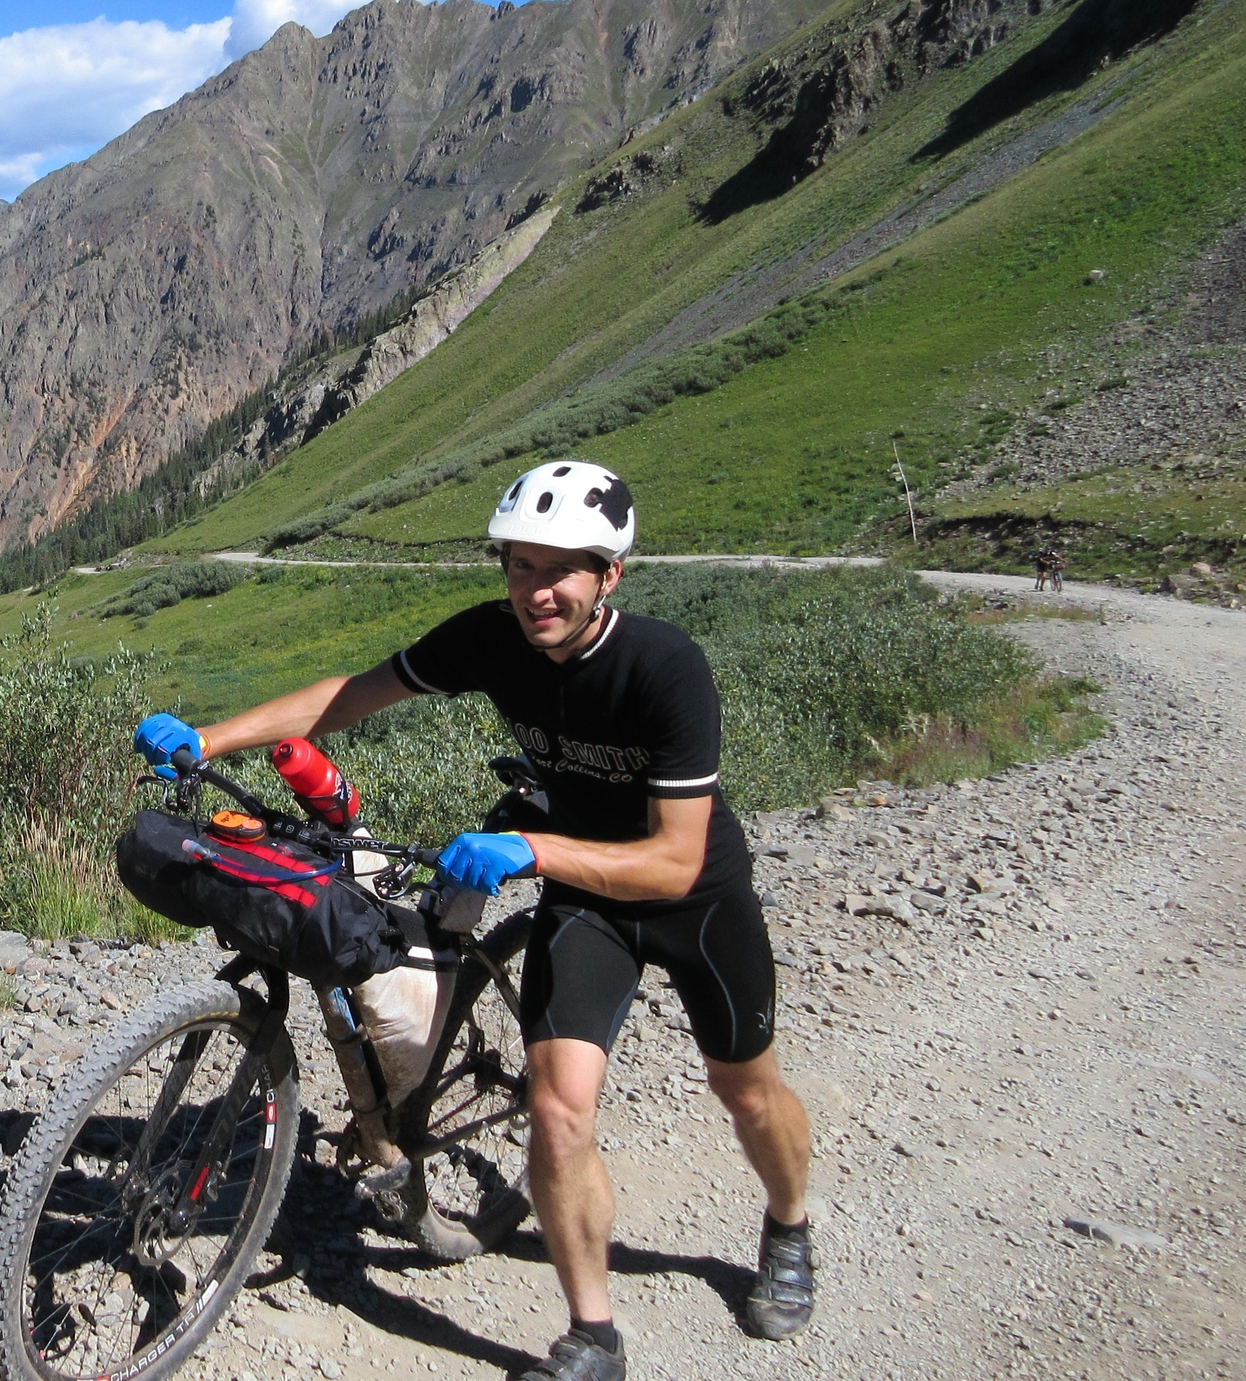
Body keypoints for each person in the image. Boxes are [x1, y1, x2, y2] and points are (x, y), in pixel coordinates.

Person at [133, 461, 814, 1381]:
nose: (537, 589)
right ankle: (593, 1333)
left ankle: (787, 1224)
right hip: (586, 902)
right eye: (520, 565)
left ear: (609, 574)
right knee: (558, 1103)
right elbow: (348, 695)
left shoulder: (665, 667)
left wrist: (530, 852)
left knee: (747, 1093)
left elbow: (674, 858)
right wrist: (208, 737)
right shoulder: (493, 640)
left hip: (694, 903)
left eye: (561, 569)